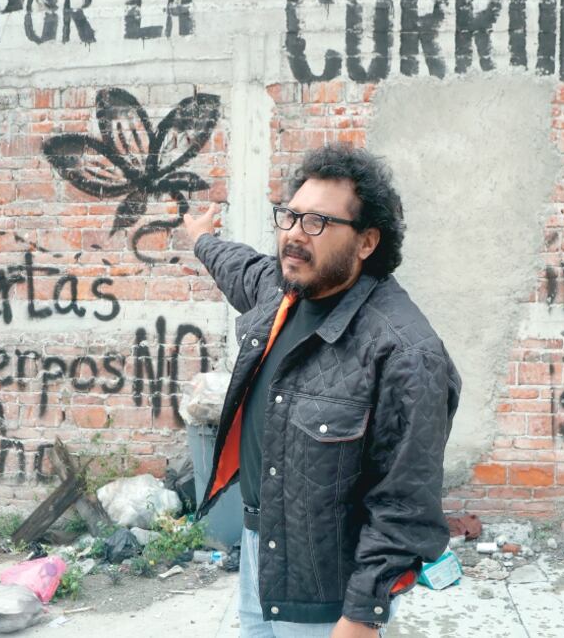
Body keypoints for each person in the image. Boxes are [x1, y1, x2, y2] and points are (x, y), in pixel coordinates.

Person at [184, 144, 460, 637]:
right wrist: (202, 238)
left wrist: (362, 615)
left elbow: (405, 505)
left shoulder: (405, 352)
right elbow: (239, 267)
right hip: (260, 553)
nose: (293, 234)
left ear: (366, 242)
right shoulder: (283, 291)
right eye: (289, 216)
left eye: (317, 223)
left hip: (327, 593)